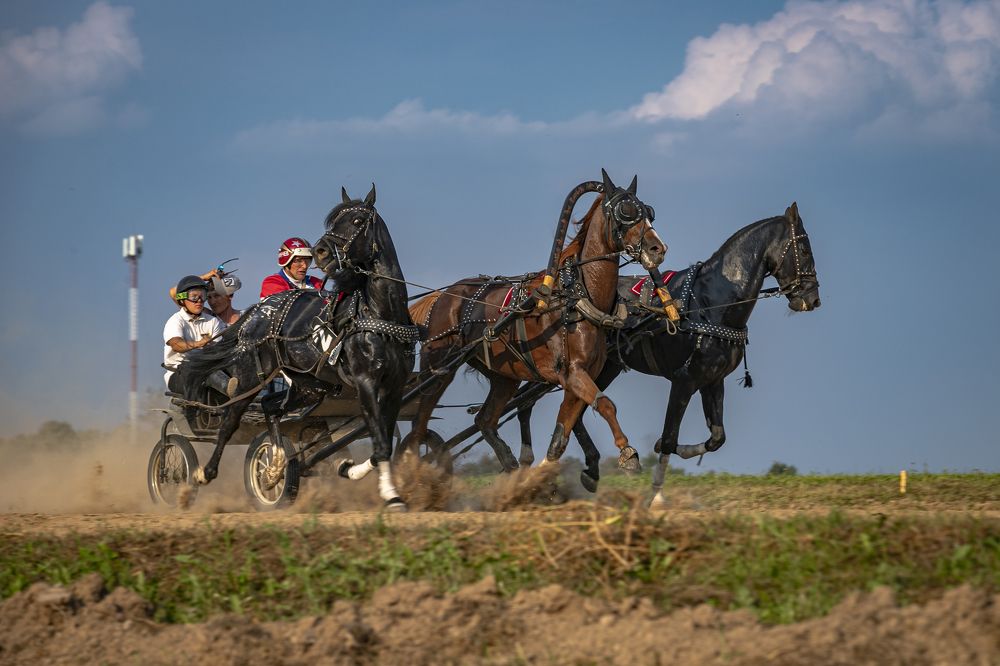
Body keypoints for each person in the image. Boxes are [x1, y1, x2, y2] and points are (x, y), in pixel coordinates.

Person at [163, 275, 232, 395]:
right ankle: (230, 389)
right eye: (194, 297)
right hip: (179, 373)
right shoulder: (175, 321)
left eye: (203, 296)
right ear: (182, 299)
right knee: (204, 372)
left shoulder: (212, 321)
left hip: (207, 368)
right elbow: (176, 345)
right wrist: (198, 344)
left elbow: (218, 350)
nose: (199, 300)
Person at [259, 237, 324, 299]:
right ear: (286, 262)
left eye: (307, 261)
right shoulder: (272, 282)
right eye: (298, 260)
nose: (305, 266)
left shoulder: (316, 282)